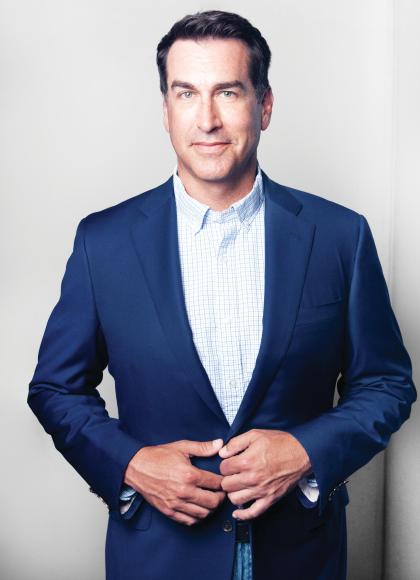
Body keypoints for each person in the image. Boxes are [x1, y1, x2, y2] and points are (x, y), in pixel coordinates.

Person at [27, 9, 416, 580]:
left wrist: (306, 452)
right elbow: (56, 388)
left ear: (264, 105)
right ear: (166, 110)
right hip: (159, 558)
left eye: (228, 92)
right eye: (186, 93)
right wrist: (130, 464)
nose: (206, 119)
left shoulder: (340, 236)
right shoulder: (103, 243)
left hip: (301, 557)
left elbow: (386, 383)